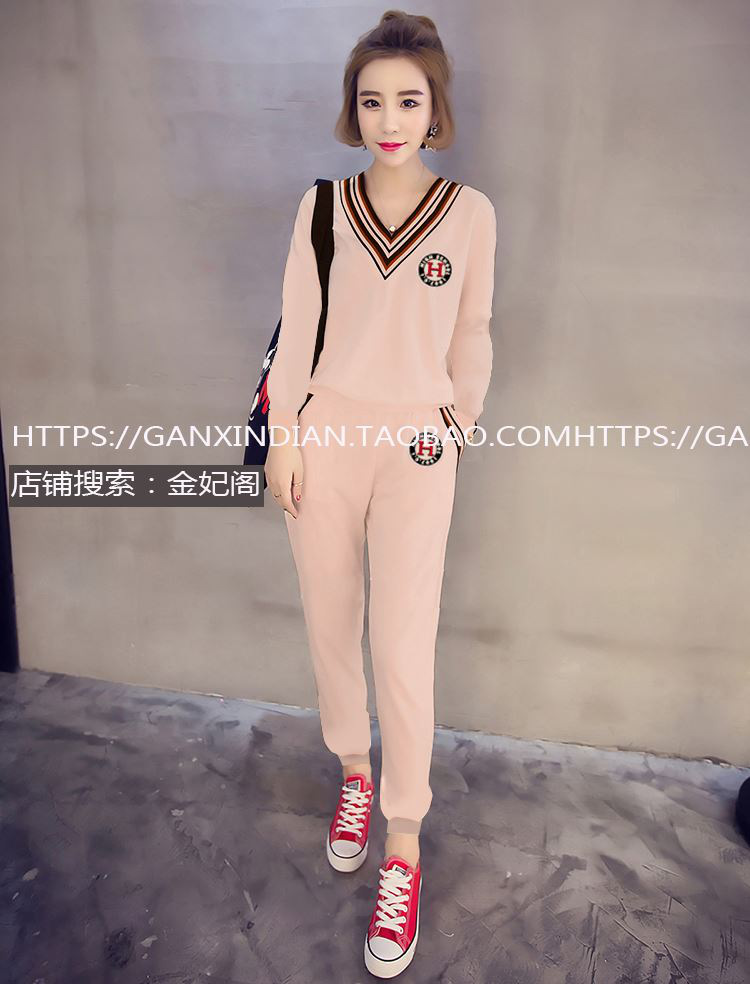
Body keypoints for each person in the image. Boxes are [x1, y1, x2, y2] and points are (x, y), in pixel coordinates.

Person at [264, 10, 497, 978]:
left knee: (402, 645)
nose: (389, 119)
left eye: (408, 100)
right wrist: (286, 440)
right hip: (326, 436)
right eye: (371, 101)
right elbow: (295, 327)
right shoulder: (321, 207)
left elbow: (472, 332)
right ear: (352, 110)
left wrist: (455, 425)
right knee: (332, 623)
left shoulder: (471, 214)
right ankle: (354, 774)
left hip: (417, 447)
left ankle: (403, 838)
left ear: (435, 108)